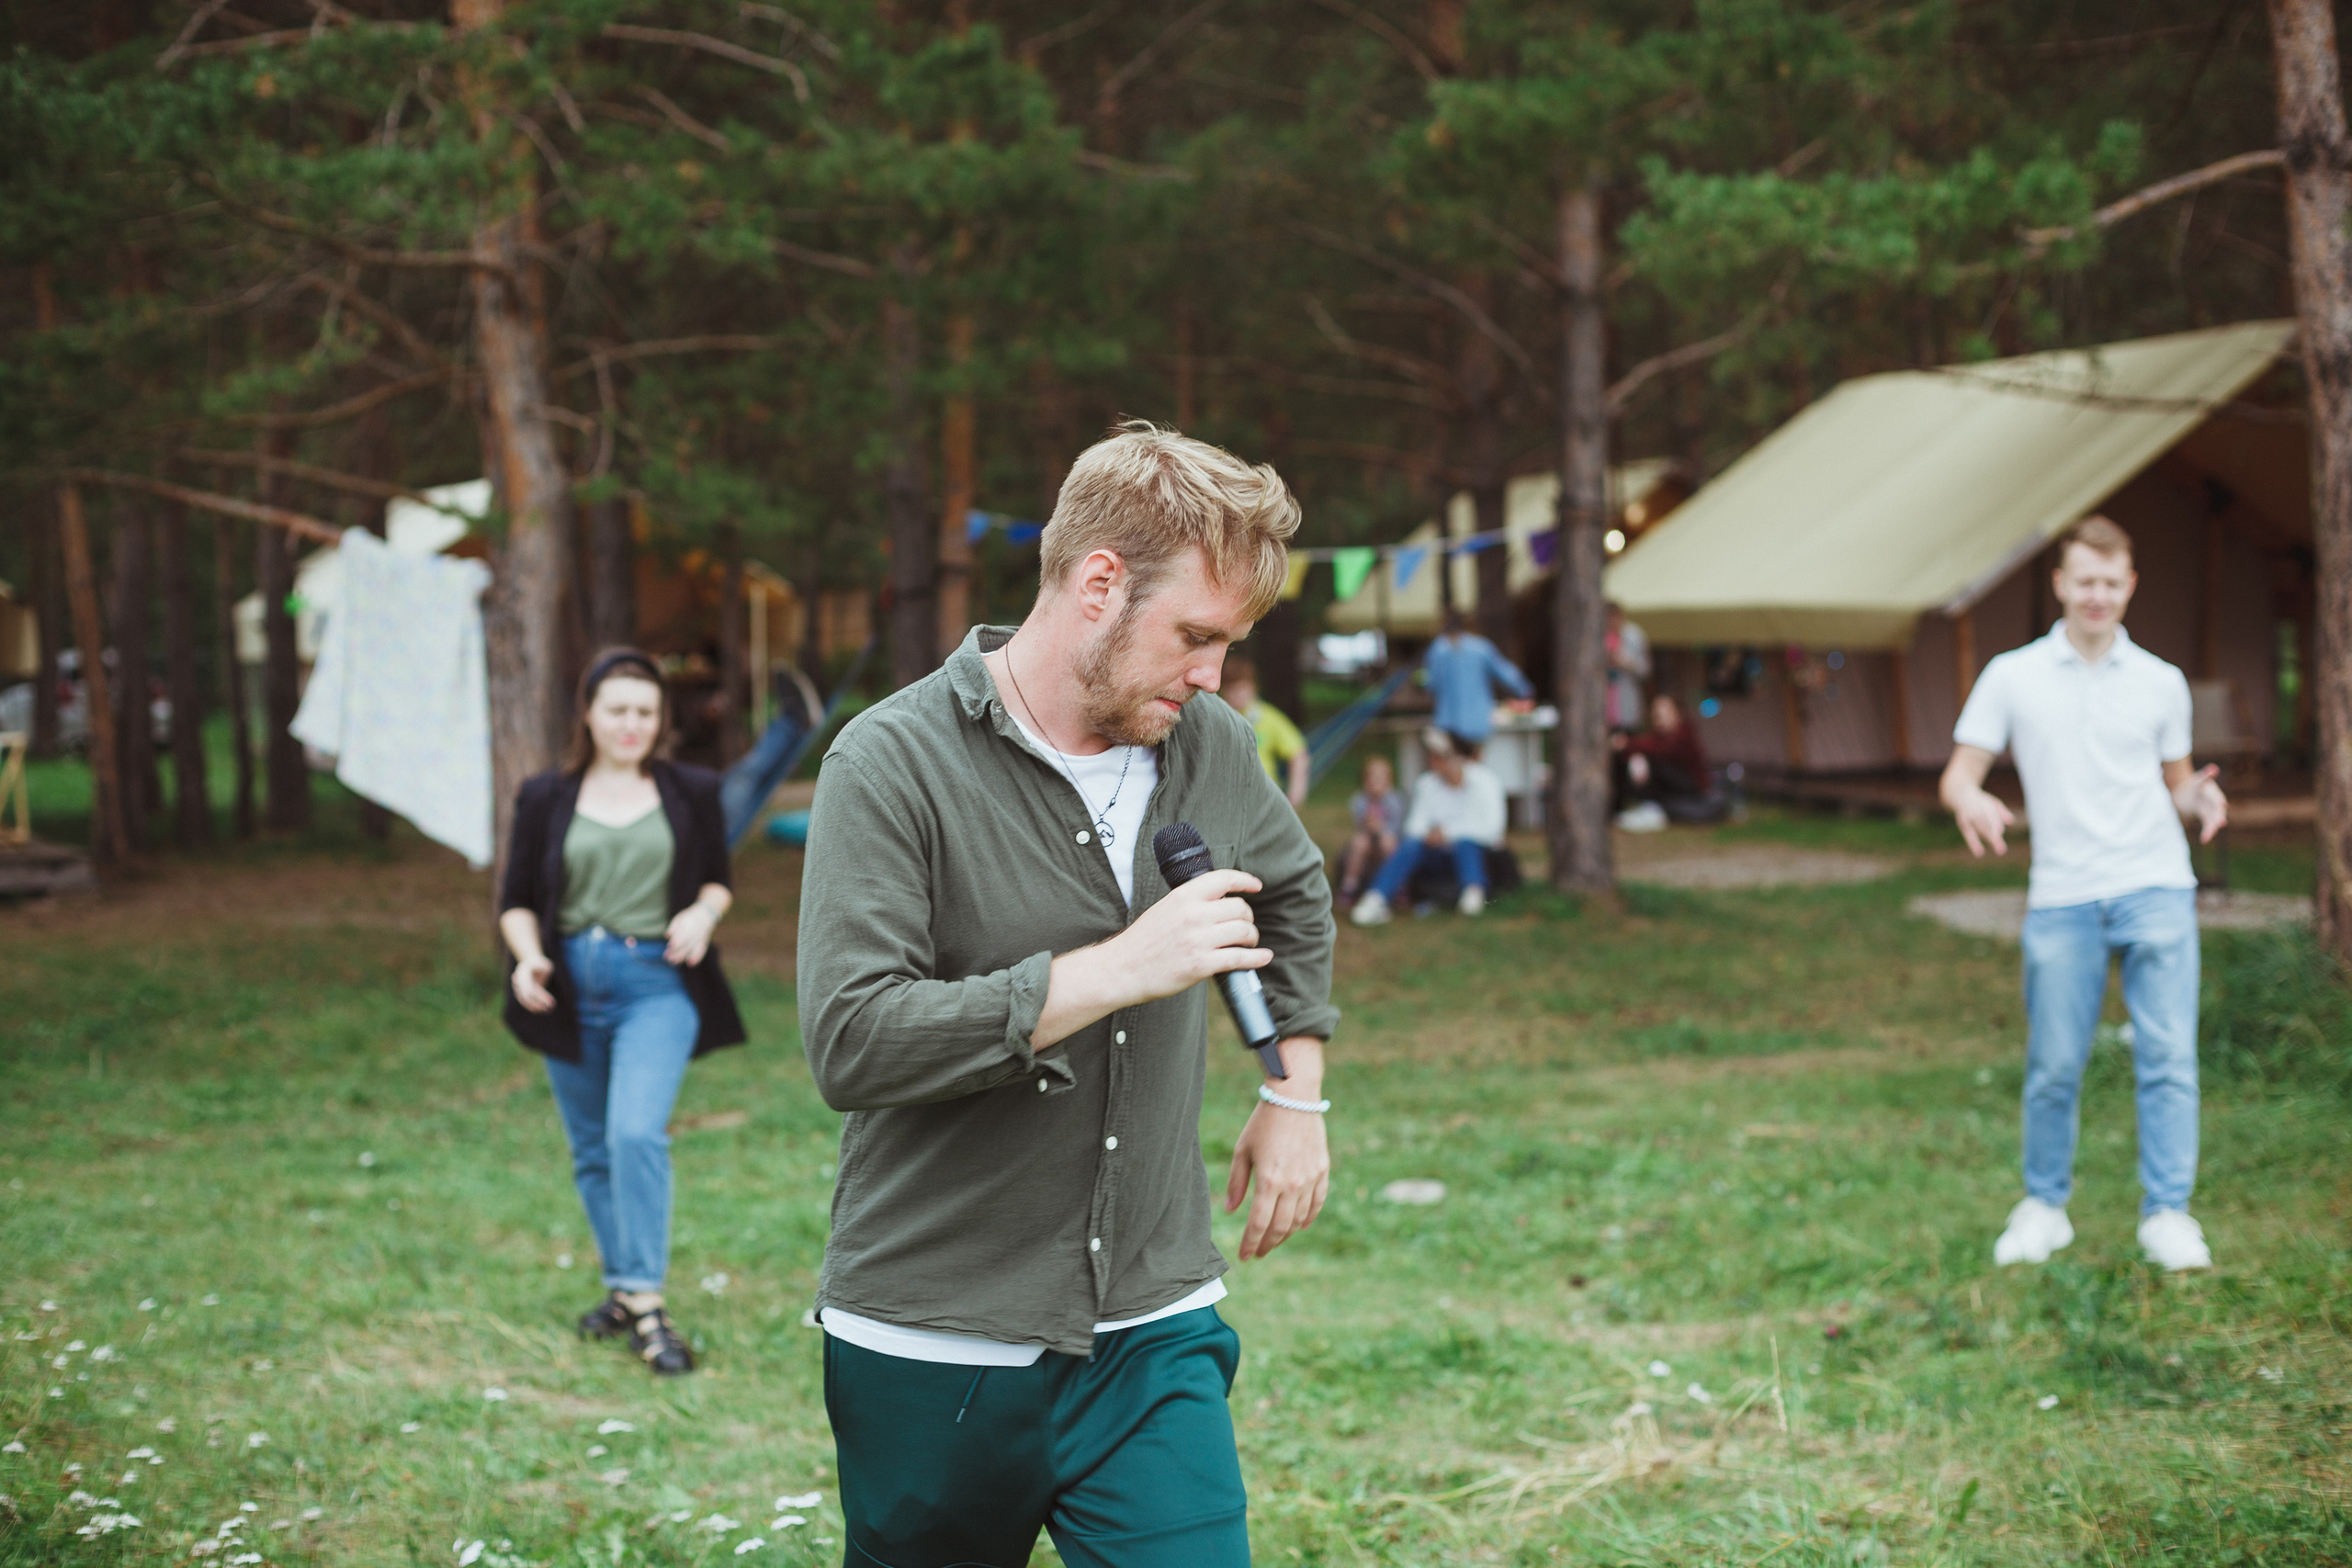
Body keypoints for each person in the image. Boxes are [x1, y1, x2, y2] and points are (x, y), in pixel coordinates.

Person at [797, 422, 1338, 1568]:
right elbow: (853, 1040)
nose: (1212, 675)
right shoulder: (887, 763)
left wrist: (1296, 1094)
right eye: (1196, 635)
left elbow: (1291, 897)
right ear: (1098, 583)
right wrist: (1116, 971)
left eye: (1229, 645)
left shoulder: (1213, 745)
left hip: (1153, 1330)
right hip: (934, 1342)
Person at [1939, 516, 2227, 1274]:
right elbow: (1959, 772)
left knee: (2168, 1057)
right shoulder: (2012, 674)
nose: (2097, 595)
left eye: (2111, 582)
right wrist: (1969, 798)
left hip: (2156, 885)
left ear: (2129, 586)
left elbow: (2177, 789)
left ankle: (2168, 1213)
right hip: (2062, 895)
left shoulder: (2162, 682)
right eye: (2084, 581)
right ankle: (2044, 1207)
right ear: (2061, 584)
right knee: (2054, 1062)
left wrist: (2200, 802)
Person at [497, 649, 745, 1375]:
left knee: (636, 1134)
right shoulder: (545, 795)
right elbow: (514, 899)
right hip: (569, 981)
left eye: (645, 710)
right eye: (618, 710)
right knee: (593, 1151)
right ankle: (623, 1289)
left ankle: (645, 1303)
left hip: (656, 984)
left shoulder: (692, 789)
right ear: (589, 714)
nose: (632, 724)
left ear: (660, 718)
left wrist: (701, 915)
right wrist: (526, 957)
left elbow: (716, 882)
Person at [1350, 728, 1507, 923]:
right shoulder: (1427, 784)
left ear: (1458, 757)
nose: (1436, 763)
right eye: (1434, 757)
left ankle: (1472, 893)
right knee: (1411, 845)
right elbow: (1414, 826)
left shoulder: (1485, 782)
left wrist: (1448, 832)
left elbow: (1493, 828)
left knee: (1466, 843)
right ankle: (1376, 898)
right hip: (1436, 854)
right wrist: (1430, 835)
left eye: (1442, 757)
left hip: (1477, 855)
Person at [1420, 608, 1532, 752]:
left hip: (1447, 723)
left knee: (1455, 764)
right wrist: (1525, 690)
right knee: (1475, 765)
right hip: (1478, 722)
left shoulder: (1438, 649)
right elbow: (1506, 673)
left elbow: (1429, 684)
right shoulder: (1481, 647)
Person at [1219, 654, 1310, 807]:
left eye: (1242, 689)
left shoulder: (1268, 718)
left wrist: (1296, 791)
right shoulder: (1217, 717)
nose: (1237, 696)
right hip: (1225, 799)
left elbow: (1298, 753)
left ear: (1253, 687)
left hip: (1263, 800)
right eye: (1231, 690)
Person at [1611, 693, 1709, 829]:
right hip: (1669, 789)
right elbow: (1649, 745)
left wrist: (1628, 745)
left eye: (1664, 712)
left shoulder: (1684, 733)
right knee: (1630, 761)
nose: (1659, 716)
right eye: (1656, 712)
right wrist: (1635, 756)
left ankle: (1650, 808)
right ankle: (1619, 810)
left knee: (1656, 764)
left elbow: (1662, 750)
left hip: (1690, 789)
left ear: (1677, 713)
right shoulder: (1657, 735)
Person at [1336, 754, 1406, 903]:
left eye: (1380, 778)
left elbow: (1397, 826)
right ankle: (1349, 886)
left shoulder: (1395, 800)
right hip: (1367, 839)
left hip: (1388, 838)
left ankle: (1399, 885)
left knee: (1388, 842)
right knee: (1359, 842)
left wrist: (1380, 828)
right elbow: (1359, 826)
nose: (1375, 782)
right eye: (1371, 778)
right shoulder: (1359, 800)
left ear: (1389, 781)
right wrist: (1368, 825)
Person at [1605, 603, 1651, 730]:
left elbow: (1645, 669)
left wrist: (1624, 662)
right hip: (1606, 702)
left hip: (1626, 703)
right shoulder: (1601, 636)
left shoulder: (1633, 635)